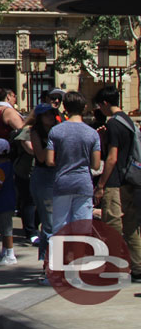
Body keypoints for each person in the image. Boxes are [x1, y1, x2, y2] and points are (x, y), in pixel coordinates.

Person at [93, 86, 141, 281]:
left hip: (116, 181)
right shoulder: (129, 121)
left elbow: (112, 158)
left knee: (112, 227)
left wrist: (101, 185)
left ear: (105, 103)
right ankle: (137, 268)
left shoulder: (113, 124)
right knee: (132, 226)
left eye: (100, 106)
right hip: (131, 179)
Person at [45, 90, 101, 233]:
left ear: (65, 108)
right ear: (84, 108)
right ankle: (78, 254)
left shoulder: (55, 131)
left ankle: (59, 255)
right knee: (82, 229)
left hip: (62, 182)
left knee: (59, 227)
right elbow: (96, 164)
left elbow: (50, 161)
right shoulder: (92, 133)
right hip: (83, 183)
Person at [25, 103, 58, 269]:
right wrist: (51, 141)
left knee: (56, 223)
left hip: (58, 175)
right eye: (47, 115)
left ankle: (52, 261)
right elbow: (41, 156)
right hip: (43, 176)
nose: (51, 117)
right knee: (49, 223)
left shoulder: (59, 130)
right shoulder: (35, 132)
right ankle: (47, 264)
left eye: (52, 114)